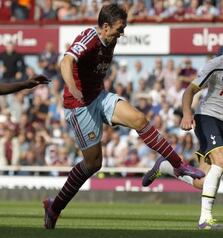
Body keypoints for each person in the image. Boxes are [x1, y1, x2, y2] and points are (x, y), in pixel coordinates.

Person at [42, 4, 204, 229]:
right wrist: (72, 87)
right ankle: (54, 207)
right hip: (79, 106)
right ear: (105, 27)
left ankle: (178, 165)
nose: (122, 33)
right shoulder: (89, 37)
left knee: (140, 119)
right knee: (93, 164)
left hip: (99, 97)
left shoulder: (111, 38)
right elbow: (66, 61)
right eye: (120, 28)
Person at [141, 22, 223, 230]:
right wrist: (187, 113)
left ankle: (164, 166)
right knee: (222, 159)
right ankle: (205, 219)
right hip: (207, 116)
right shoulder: (215, 64)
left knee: (202, 181)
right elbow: (189, 91)